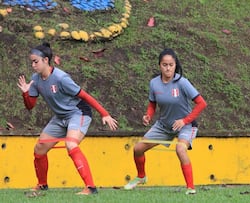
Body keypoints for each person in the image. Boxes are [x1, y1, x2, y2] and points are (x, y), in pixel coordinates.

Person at [17, 42, 118, 195]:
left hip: (79, 113)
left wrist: (105, 114)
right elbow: (30, 106)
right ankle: (42, 184)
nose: (33, 65)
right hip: (60, 117)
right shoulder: (35, 79)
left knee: (71, 145)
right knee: (39, 149)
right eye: (31, 61)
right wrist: (25, 93)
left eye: (35, 61)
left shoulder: (61, 78)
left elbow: (85, 96)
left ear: (45, 60)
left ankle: (91, 188)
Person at [124, 48, 207, 195]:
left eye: (171, 65)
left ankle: (190, 188)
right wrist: (148, 115)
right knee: (138, 149)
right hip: (163, 125)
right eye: (164, 65)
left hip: (186, 125)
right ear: (159, 66)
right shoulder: (154, 83)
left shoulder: (182, 83)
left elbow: (201, 103)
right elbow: (152, 104)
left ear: (175, 65)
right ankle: (141, 177)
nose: (168, 68)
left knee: (180, 149)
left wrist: (184, 120)